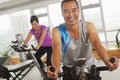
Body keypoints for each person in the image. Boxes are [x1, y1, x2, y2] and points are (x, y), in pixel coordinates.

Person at [47, 0, 119, 80]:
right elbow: (56, 49)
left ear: (78, 11)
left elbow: (96, 42)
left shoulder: (88, 26)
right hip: (69, 69)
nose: (70, 15)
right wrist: (56, 67)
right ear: (62, 14)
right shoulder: (57, 31)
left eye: (74, 10)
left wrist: (106, 59)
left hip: (89, 66)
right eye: (66, 11)